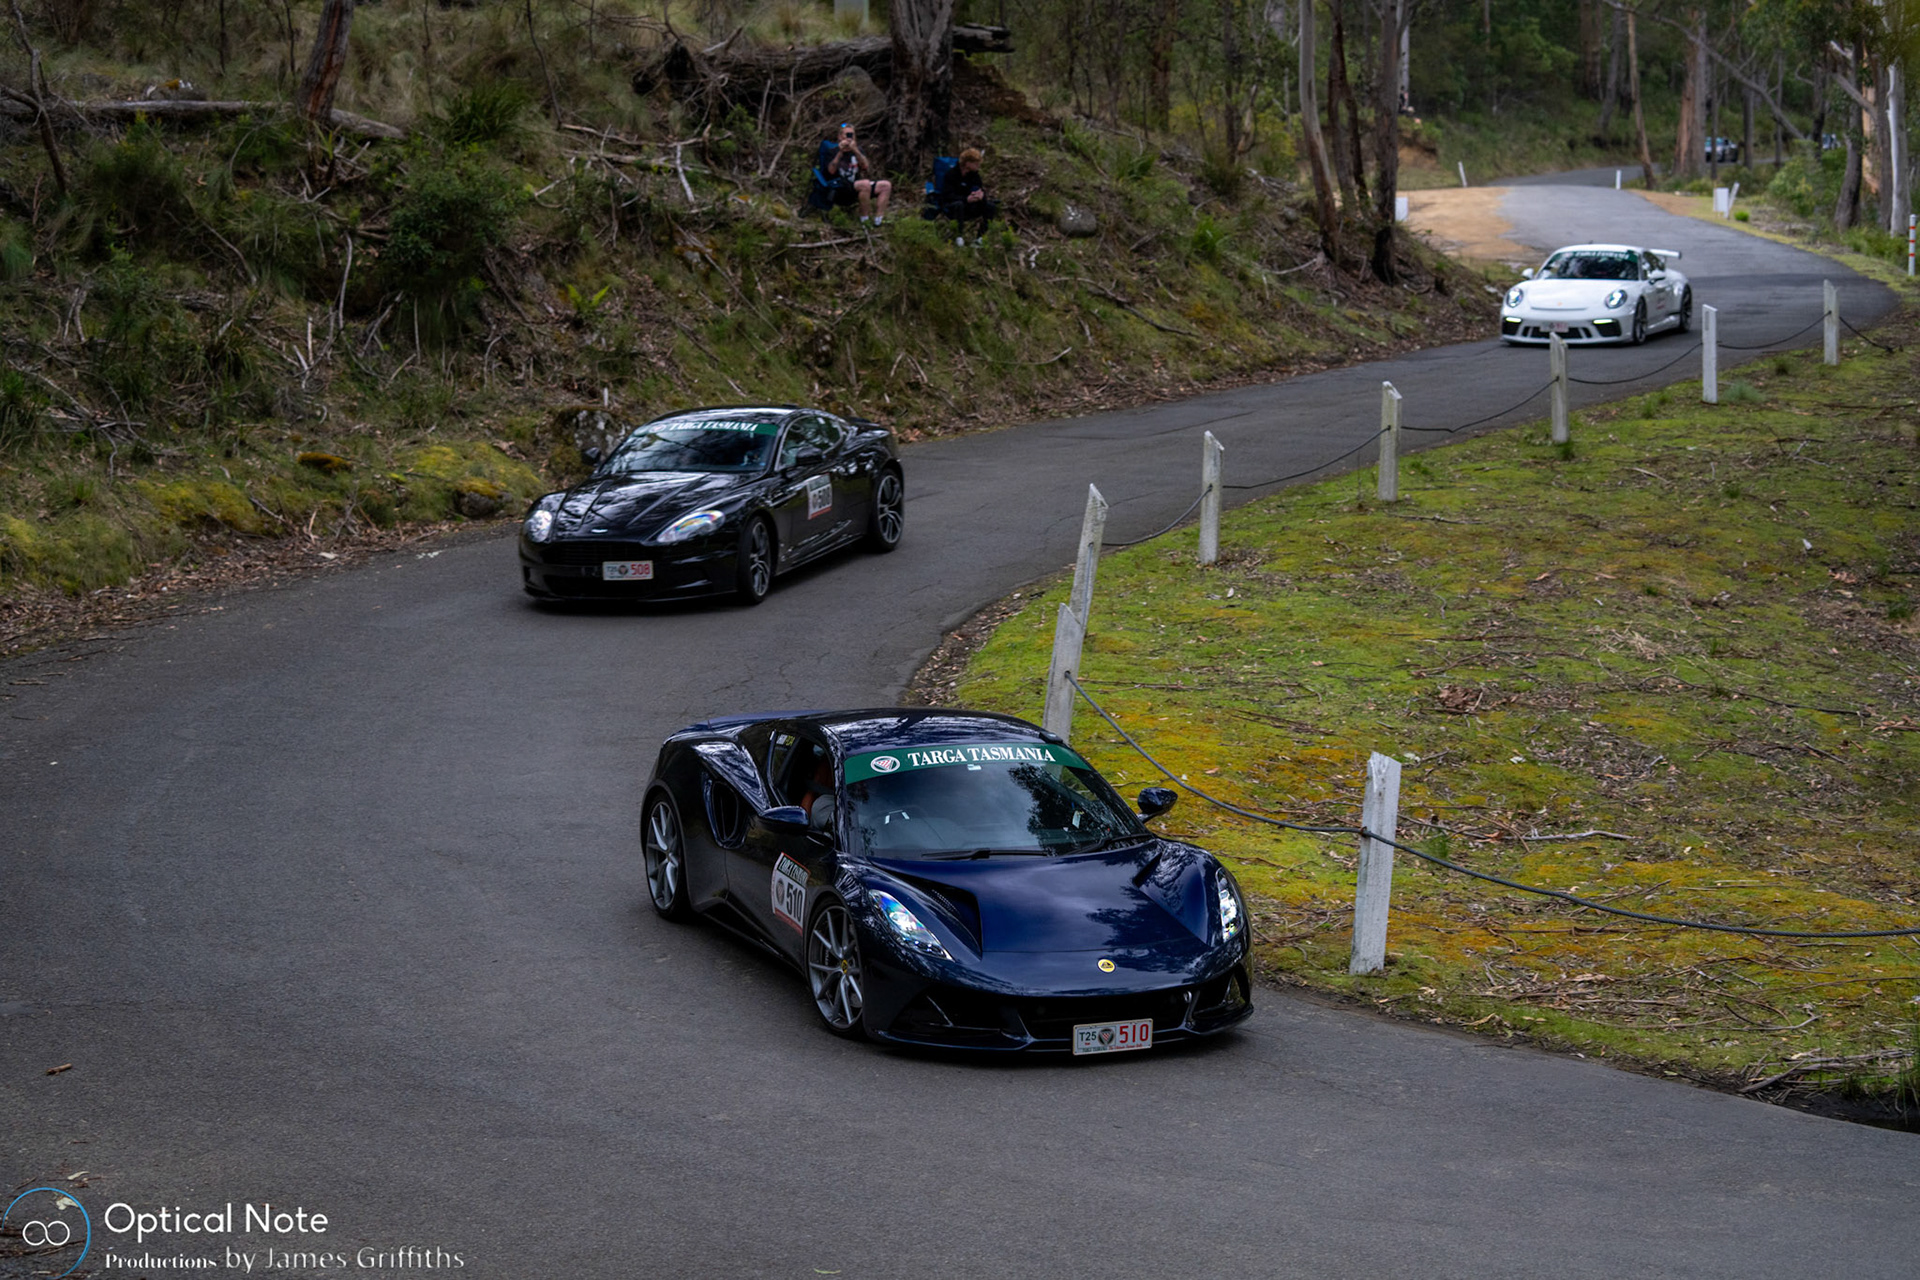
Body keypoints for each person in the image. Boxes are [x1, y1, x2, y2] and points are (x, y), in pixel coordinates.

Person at [939, 147, 997, 245]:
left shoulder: (975, 176)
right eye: (976, 163)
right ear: (967, 163)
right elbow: (947, 195)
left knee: (990, 206)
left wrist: (981, 197)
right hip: (954, 206)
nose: (978, 166)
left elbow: (979, 189)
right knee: (959, 205)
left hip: (970, 206)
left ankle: (980, 238)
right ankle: (959, 236)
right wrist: (966, 199)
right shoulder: (951, 175)